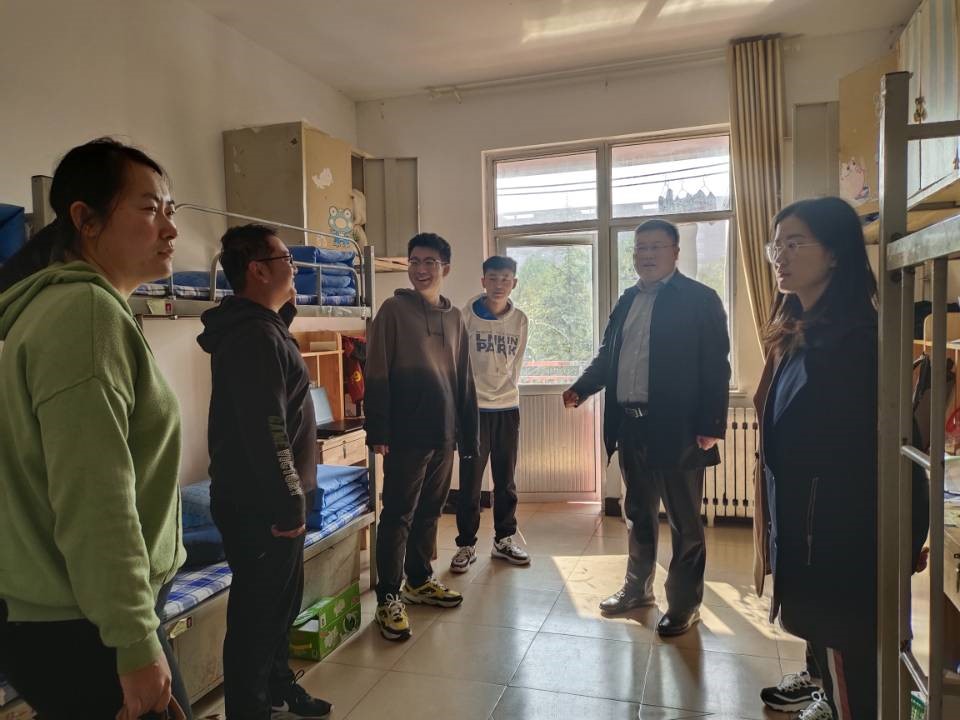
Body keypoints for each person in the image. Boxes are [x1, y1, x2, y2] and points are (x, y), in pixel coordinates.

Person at [0, 138, 191, 719]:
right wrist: (133, 639)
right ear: (85, 219)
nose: (171, 229)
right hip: (88, 627)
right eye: (149, 208)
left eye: (170, 210)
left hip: (79, 616)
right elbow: (96, 497)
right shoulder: (84, 315)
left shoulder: (67, 310)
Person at [564, 218, 730, 637]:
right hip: (631, 426)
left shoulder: (700, 299)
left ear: (675, 252)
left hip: (679, 429)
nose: (647, 255)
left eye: (656, 246)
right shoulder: (627, 300)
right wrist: (582, 387)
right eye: (640, 248)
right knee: (638, 514)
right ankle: (637, 590)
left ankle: (685, 604)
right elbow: (609, 356)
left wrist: (712, 422)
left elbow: (716, 365)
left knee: (684, 522)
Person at [752, 197, 881, 720]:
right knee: (830, 650)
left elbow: (863, 452)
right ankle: (823, 689)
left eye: (794, 243)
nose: (780, 256)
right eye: (775, 245)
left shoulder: (857, 340)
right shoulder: (797, 331)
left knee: (849, 658)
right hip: (806, 525)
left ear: (834, 253)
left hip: (837, 534)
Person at [197, 224, 331, 720]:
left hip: (269, 498)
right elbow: (268, 429)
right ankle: (248, 710)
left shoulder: (263, 328)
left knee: (280, 608)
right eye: (285, 260)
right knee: (256, 619)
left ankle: (278, 688)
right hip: (261, 505)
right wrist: (289, 501)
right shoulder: (254, 337)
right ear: (257, 270)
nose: (294, 268)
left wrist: (283, 311)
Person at [365, 232, 479, 641]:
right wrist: (378, 429)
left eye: (430, 262)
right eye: (414, 261)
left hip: (443, 432)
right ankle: (388, 596)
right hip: (405, 434)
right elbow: (376, 370)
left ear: (445, 267)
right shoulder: (392, 311)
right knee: (398, 514)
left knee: (431, 510)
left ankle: (418, 580)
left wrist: (468, 433)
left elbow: (463, 379)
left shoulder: (455, 317)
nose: (421, 269)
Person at [451, 255, 530, 572]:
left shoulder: (520, 320)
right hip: (474, 409)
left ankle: (504, 539)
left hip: (507, 407)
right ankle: (466, 544)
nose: (499, 284)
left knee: (505, 479)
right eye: (493, 278)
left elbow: (517, 362)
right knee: (470, 481)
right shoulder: (465, 316)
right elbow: (456, 362)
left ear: (514, 283)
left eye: (506, 279)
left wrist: (507, 390)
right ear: (483, 281)